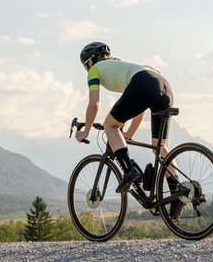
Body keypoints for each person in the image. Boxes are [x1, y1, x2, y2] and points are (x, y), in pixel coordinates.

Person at [74, 42, 184, 201]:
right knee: (160, 147)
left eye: (85, 65)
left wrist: (86, 131)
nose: (86, 69)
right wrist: (129, 133)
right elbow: (139, 105)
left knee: (109, 125)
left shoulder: (95, 70)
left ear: (90, 61)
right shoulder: (121, 67)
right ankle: (178, 195)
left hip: (144, 83)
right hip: (164, 85)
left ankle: (129, 171)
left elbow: (94, 104)